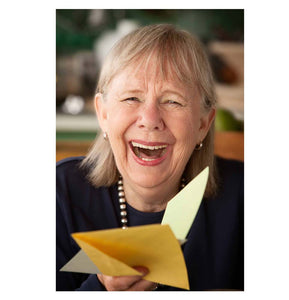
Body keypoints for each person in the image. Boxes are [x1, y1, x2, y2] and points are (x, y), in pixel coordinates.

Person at [56, 24, 244, 291]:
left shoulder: (244, 196)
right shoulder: (59, 194)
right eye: (132, 97)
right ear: (104, 114)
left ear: (204, 123)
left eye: (173, 101)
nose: (150, 120)